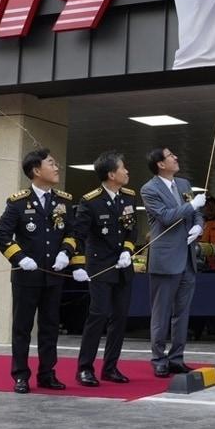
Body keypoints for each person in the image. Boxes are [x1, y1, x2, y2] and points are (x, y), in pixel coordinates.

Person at [0, 147, 77, 394]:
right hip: (26, 276)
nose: (56, 167)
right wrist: (19, 257)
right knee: (22, 328)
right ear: (36, 170)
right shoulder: (18, 202)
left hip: (53, 276)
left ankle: (47, 373)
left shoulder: (63, 200)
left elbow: (72, 233)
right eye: (51, 163)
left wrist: (66, 253)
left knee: (50, 327)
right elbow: (2, 234)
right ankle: (20, 375)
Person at [73, 150, 139, 387]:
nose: (127, 171)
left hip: (123, 266)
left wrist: (128, 250)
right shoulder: (90, 201)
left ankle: (110, 367)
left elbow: (133, 229)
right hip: (100, 266)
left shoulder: (129, 197)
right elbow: (78, 235)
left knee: (120, 318)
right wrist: (78, 265)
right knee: (98, 315)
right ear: (112, 174)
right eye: (123, 168)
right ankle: (84, 368)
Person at [139, 147, 206, 377]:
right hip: (166, 258)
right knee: (161, 312)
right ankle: (158, 357)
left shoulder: (184, 184)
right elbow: (166, 217)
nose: (176, 157)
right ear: (160, 164)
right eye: (170, 156)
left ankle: (177, 357)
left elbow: (196, 212)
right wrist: (192, 206)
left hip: (187, 257)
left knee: (182, 312)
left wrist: (198, 225)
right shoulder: (149, 189)